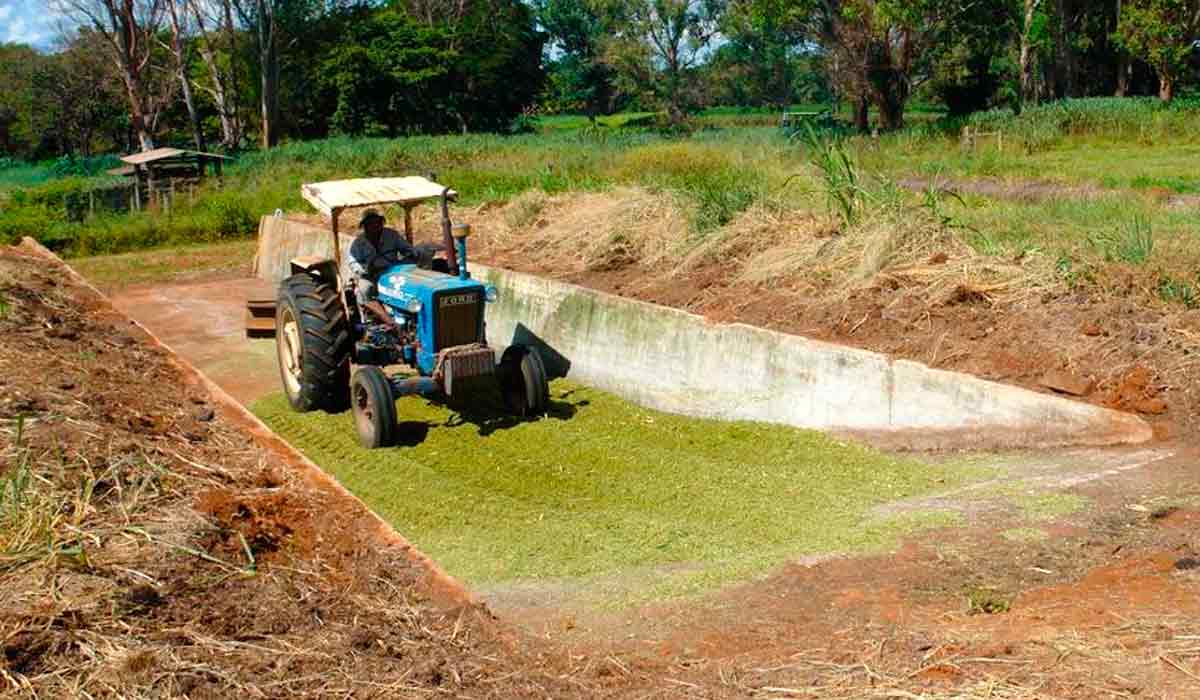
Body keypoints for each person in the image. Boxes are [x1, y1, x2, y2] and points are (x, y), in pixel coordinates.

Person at [347, 209, 415, 327]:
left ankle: (409, 314)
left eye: (377, 222)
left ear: (381, 223)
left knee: (411, 285)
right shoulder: (358, 243)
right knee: (364, 289)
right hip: (370, 275)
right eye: (370, 224)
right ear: (365, 226)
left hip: (393, 271)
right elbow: (353, 263)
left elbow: (407, 248)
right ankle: (374, 320)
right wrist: (366, 269)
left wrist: (412, 254)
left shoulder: (392, 235)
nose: (375, 226)